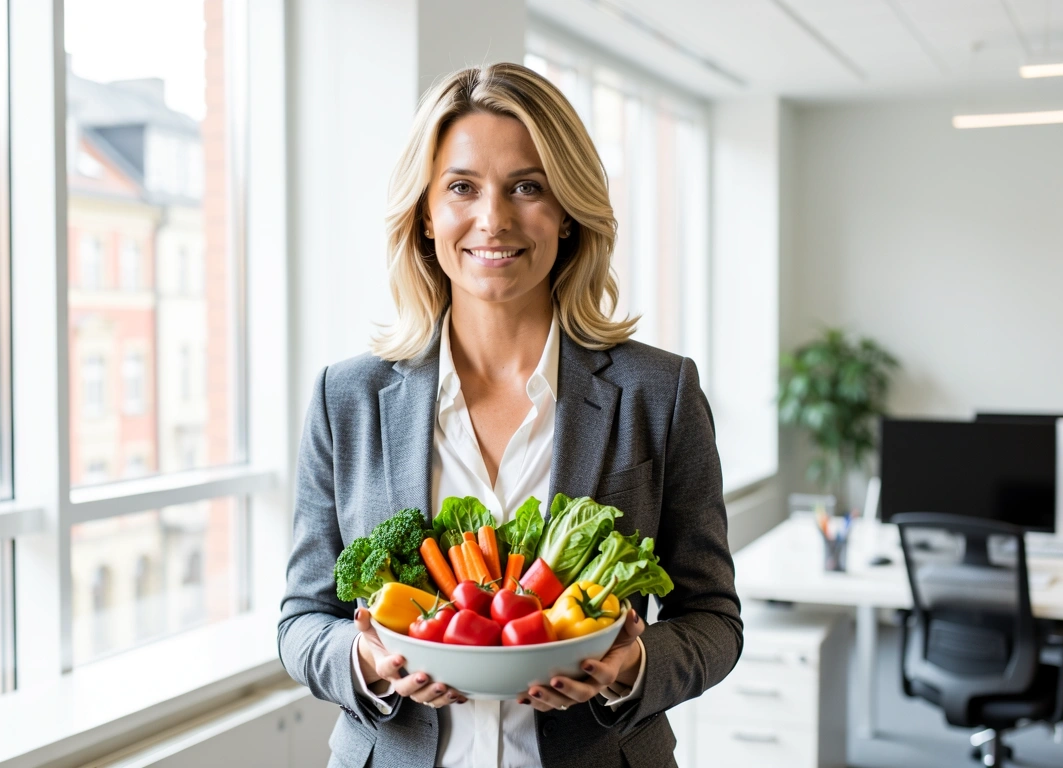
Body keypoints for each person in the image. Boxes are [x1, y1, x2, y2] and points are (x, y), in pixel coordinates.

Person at [277, 62, 742, 768]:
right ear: (426, 214)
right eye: (462, 187)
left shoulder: (659, 391)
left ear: (566, 212)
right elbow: (301, 621)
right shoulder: (347, 400)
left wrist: (631, 668)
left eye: (527, 187)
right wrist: (366, 657)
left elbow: (714, 621)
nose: (493, 219)